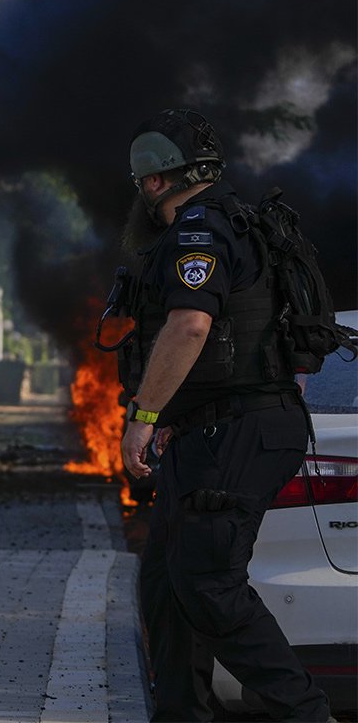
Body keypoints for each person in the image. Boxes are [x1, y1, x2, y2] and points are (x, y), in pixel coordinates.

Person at [115, 109, 332, 722]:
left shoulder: (199, 231)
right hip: (212, 429)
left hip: (237, 429)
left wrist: (145, 414)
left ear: (155, 180)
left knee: (209, 588)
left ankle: (307, 715)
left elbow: (189, 325)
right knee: (167, 586)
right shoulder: (233, 220)